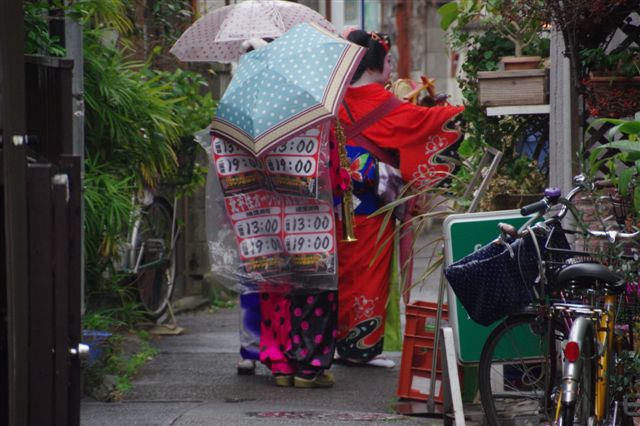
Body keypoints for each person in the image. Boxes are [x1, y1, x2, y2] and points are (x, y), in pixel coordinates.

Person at [334, 29, 464, 367]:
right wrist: (463, 111)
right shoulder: (382, 102)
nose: (391, 67)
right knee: (370, 273)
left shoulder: (336, 98)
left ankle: (341, 340)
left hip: (337, 200)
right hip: (372, 202)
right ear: (374, 66)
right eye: (389, 61)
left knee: (344, 272)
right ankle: (360, 348)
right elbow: (422, 122)